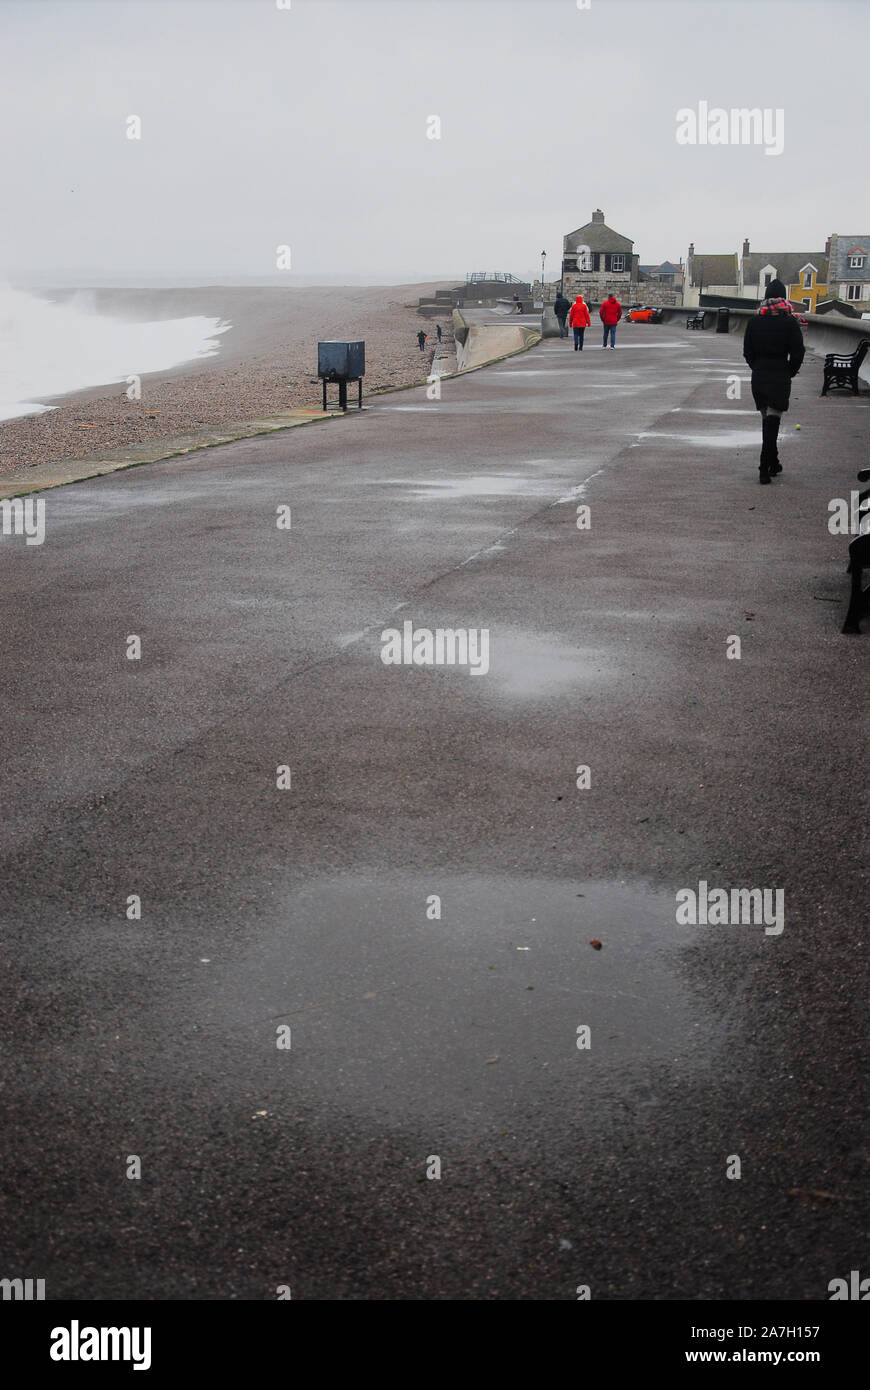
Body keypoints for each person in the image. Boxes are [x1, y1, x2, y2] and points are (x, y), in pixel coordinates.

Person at [742, 278, 805, 484]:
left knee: (767, 421)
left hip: (759, 375)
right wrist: (790, 371)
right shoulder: (790, 322)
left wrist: (757, 367)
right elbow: (798, 352)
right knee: (773, 421)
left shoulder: (753, 322)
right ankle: (763, 467)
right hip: (780, 375)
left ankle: (773, 462)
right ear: (783, 299)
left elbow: (747, 352)